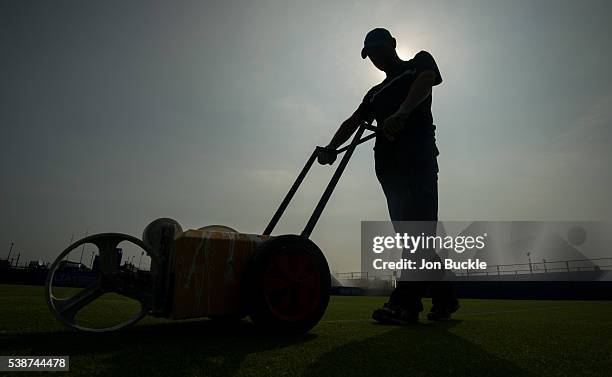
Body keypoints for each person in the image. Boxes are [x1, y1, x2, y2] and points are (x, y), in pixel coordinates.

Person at [318, 28, 459, 324]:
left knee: (418, 233)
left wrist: (403, 113)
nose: (376, 59)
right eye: (371, 55)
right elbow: (354, 120)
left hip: (418, 157)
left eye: (380, 51)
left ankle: (405, 304)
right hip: (388, 167)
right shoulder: (374, 93)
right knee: (410, 236)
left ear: (393, 45)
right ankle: (445, 297)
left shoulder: (418, 63)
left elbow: (426, 81)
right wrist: (332, 147)